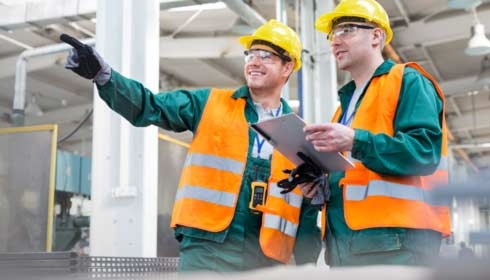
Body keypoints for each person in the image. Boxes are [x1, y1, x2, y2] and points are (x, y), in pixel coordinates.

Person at [60, 19, 322, 272]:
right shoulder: (208, 104)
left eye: (266, 56)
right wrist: (104, 76)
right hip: (207, 248)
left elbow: (307, 214)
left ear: (288, 67)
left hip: (266, 257)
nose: (254, 61)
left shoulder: (300, 138)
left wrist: (308, 265)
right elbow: (150, 106)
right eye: (251, 54)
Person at [299, 0, 451, 267]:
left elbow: (424, 153)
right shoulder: (345, 108)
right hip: (347, 245)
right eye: (332, 34)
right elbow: (356, 176)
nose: (335, 41)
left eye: (346, 30)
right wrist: (321, 188)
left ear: (376, 36)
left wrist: (356, 140)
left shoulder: (407, 81)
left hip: (398, 242)